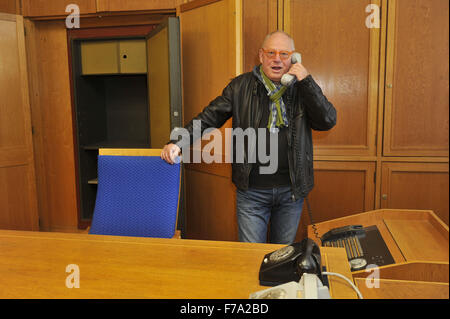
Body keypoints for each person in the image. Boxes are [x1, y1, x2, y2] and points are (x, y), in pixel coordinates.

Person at [161, 30, 336, 244]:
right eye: (271, 52)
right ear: (261, 56)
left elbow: (327, 120)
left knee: (282, 258)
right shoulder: (239, 87)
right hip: (252, 192)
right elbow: (210, 117)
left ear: (293, 58)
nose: (277, 59)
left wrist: (306, 82)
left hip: (291, 191)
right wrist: (179, 141)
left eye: (284, 53)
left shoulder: (302, 88)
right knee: (250, 258)